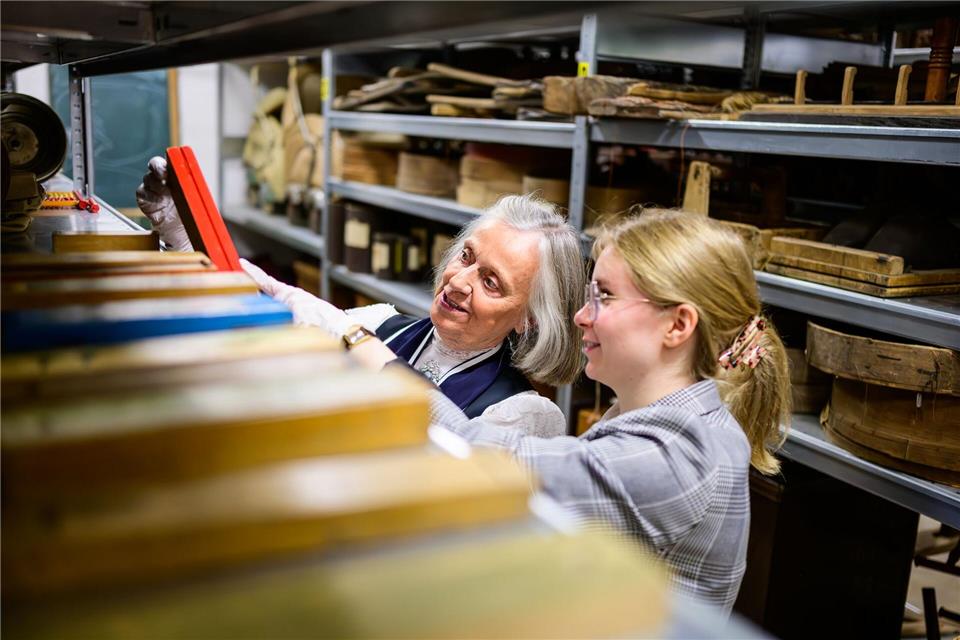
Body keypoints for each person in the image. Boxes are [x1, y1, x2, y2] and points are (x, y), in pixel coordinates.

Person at [424, 208, 792, 613]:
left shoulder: (678, 455)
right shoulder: (646, 415)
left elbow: (493, 463)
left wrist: (376, 364)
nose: (581, 316)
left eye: (605, 296)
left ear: (677, 325)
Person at [136, 157, 585, 436]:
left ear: (528, 318)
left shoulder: (523, 414)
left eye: (491, 282)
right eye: (465, 256)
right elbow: (264, 324)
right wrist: (183, 239)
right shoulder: (382, 322)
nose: (459, 281)